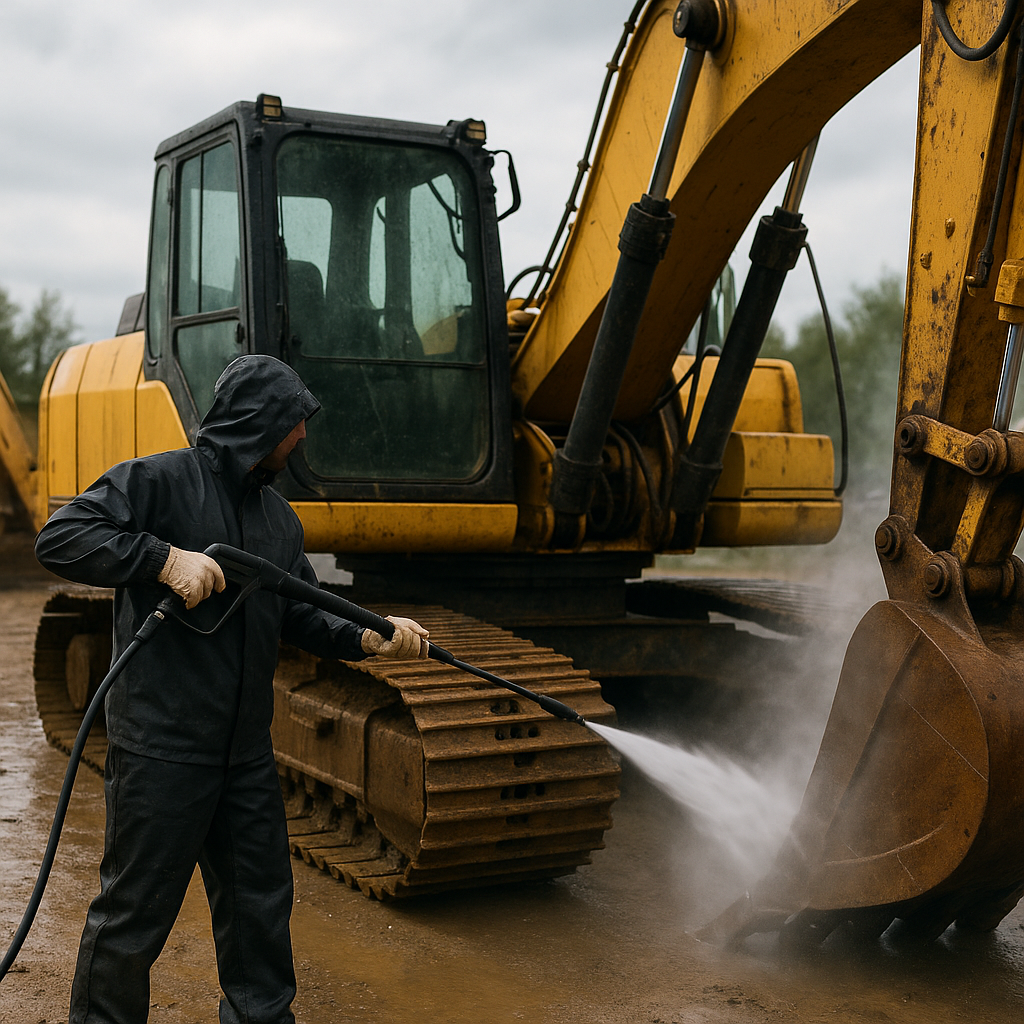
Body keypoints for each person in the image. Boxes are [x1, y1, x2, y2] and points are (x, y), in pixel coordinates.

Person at [34, 354, 427, 1024]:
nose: (302, 437)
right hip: (162, 750)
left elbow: (298, 608)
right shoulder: (159, 481)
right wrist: (162, 559)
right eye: (293, 423)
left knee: (259, 912)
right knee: (133, 915)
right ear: (257, 422)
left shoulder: (278, 520)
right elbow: (62, 536)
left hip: (244, 755)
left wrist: (368, 634)